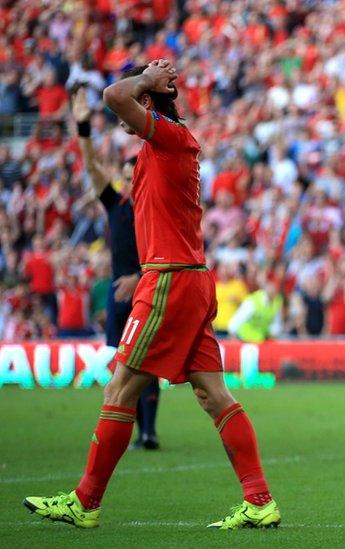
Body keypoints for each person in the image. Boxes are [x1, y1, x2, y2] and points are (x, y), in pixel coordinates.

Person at [23, 60, 280, 530]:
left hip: (168, 281)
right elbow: (110, 121)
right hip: (188, 278)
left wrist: (145, 81)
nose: (120, 120)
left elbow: (113, 95)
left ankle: (85, 501)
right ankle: (259, 500)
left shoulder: (168, 138)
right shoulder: (162, 147)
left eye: (136, 99)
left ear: (146, 103)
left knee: (120, 387)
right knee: (213, 395)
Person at [71, 88, 161, 451]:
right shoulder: (117, 204)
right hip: (119, 289)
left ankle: (148, 432)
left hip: (145, 285)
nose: (130, 178)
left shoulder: (154, 206)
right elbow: (91, 167)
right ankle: (132, 432)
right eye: (127, 173)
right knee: (122, 362)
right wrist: (82, 128)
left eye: (134, 172)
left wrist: (139, 277)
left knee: (146, 361)